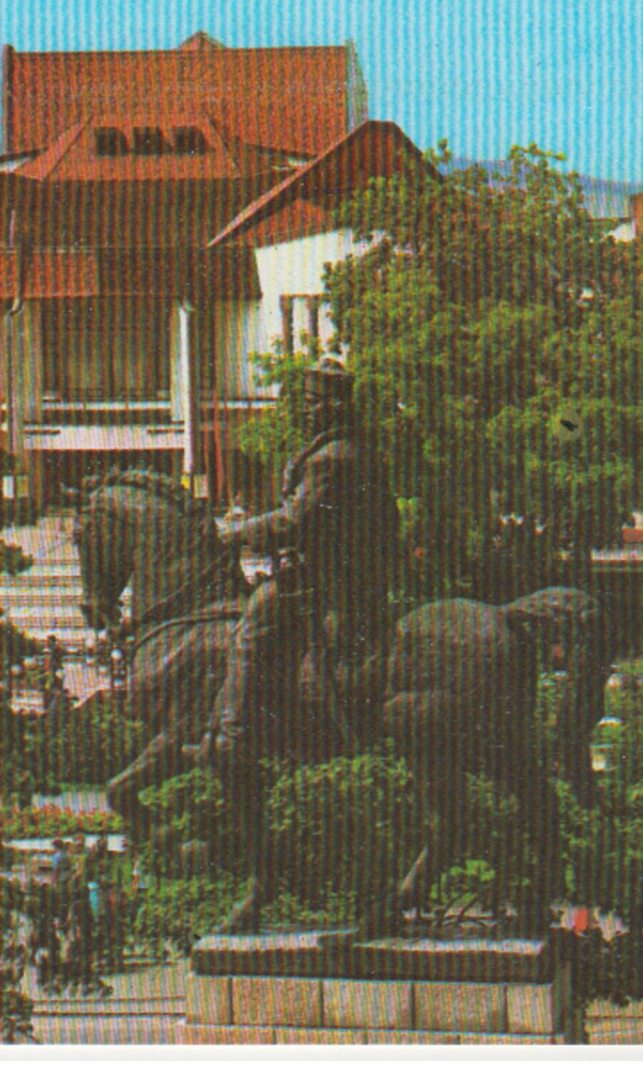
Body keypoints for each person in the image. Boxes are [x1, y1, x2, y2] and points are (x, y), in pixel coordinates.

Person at [203, 357, 399, 931]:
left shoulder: (335, 457)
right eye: (307, 399)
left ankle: (235, 728)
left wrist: (231, 534)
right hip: (334, 575)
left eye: (315, 400)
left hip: (329, 583)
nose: (307, 407)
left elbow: (295, 522)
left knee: (254, 621)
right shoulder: (341, 449)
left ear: (335, 403)